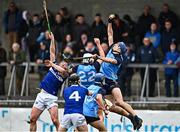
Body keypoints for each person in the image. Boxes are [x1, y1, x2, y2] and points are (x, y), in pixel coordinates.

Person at [97, 14, 143, 130]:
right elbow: (110, 33)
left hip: (111, 82)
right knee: (111, 107)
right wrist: (109, 22)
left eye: (117, 46)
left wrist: (99, 57)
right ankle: (130, 117)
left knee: (120, 102)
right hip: (104, 81)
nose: (115, 45)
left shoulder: (118, 59)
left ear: (119, 50)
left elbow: (109, 60)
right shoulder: (112, 47)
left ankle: (136, 117)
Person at [30, 33, 68, 131]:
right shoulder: (54, 66)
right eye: (63, 64)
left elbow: (63, 71)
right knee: (32, 119)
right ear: (59, 63)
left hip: (51, 97)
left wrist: (51, 64)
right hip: (42, 95)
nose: (64, 66)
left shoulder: (65, 74)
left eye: (66, 65)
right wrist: (52, 39)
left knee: (55, 120)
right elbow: (52, 51)